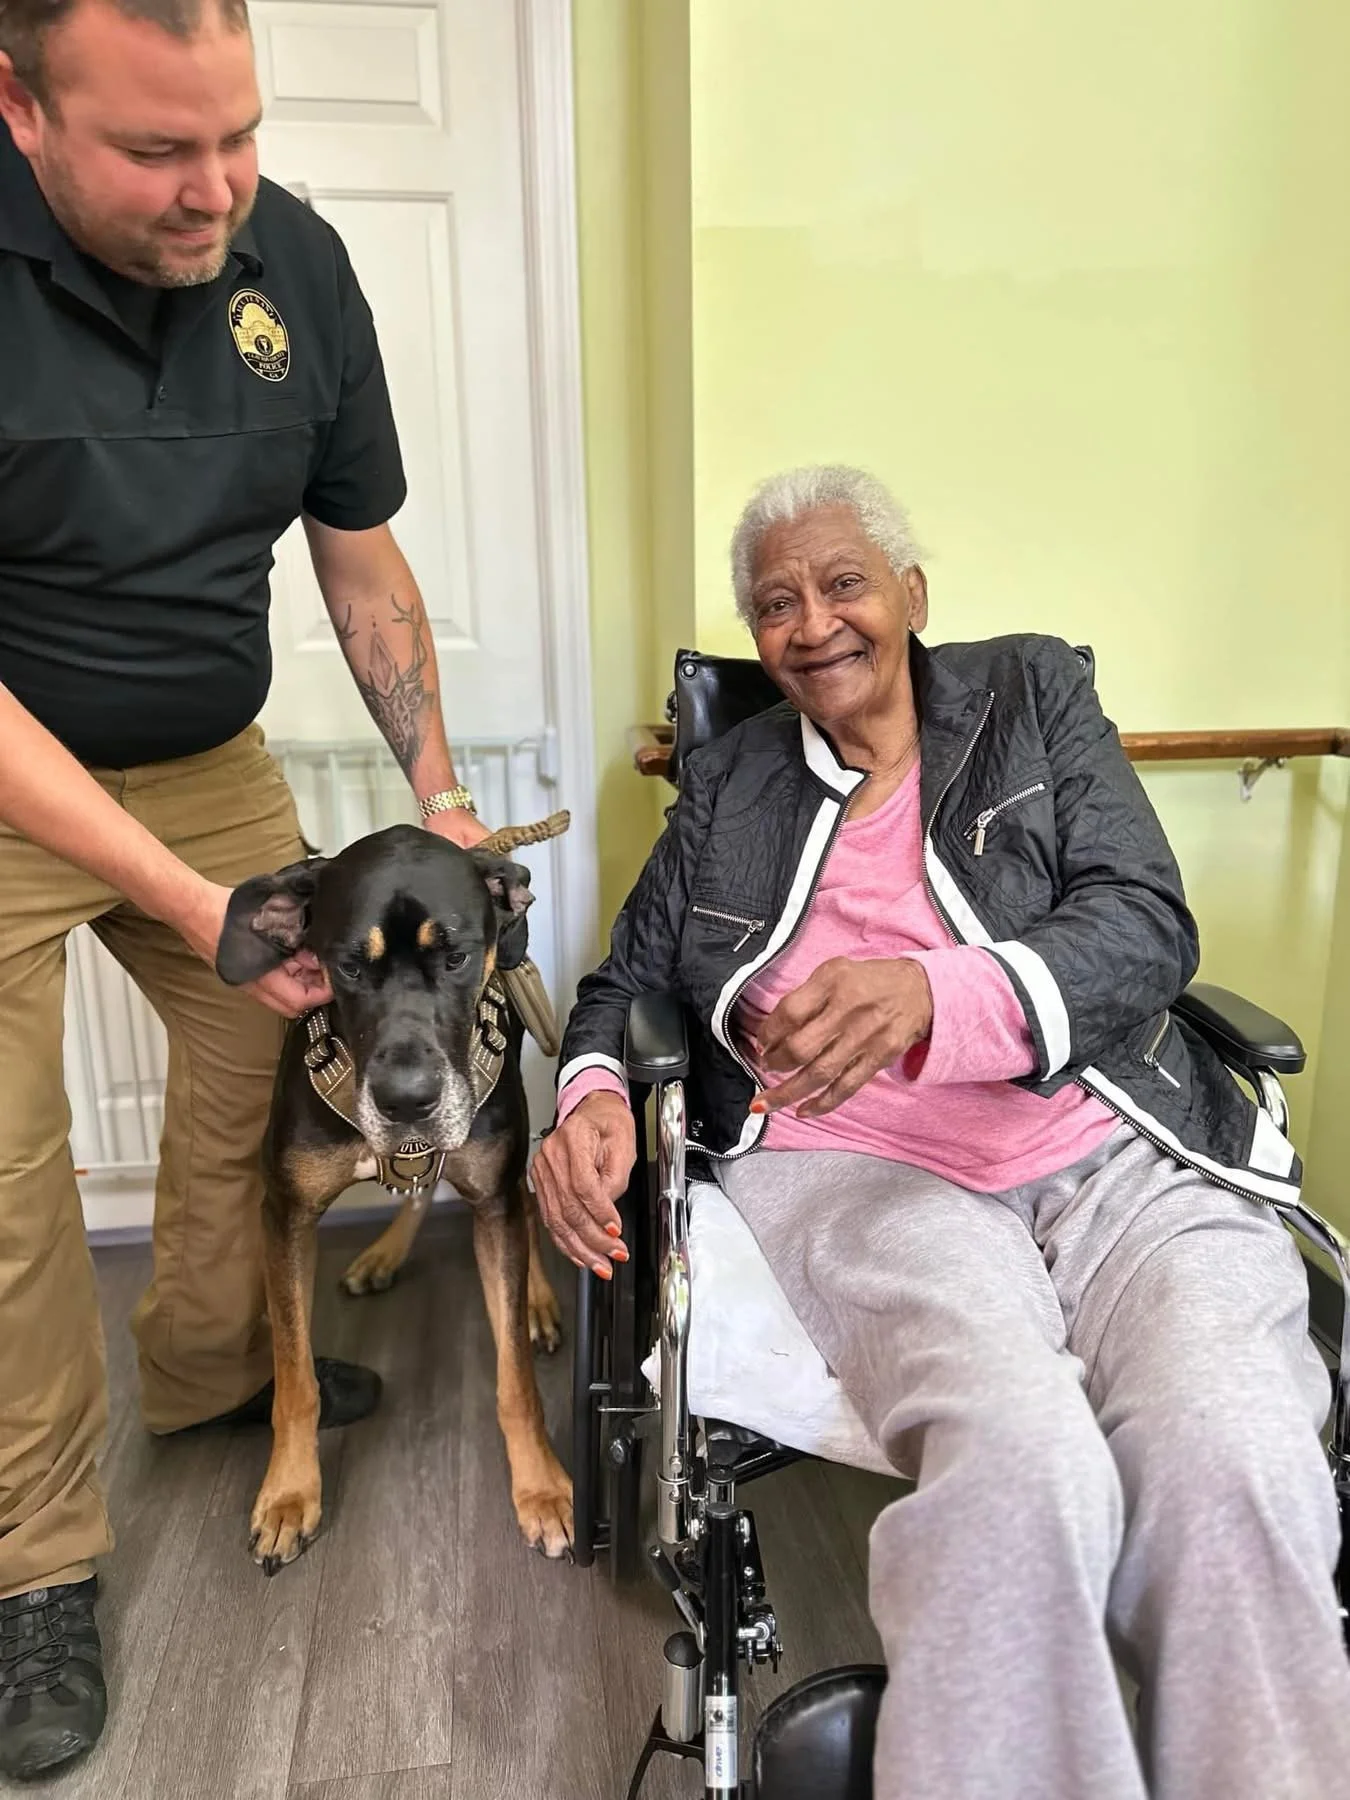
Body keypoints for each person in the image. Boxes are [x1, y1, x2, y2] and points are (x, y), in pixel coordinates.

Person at [534, 464, 1350, 1799]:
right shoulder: (729, 778)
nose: (811, 624)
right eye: (774, 604)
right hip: (861, 1167)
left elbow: (1144, 921)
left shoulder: (1030, 696)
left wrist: (935, 994)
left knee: (1237, 1447)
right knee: (1021, 1465)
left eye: (842, 583)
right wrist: (589, 1102)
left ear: (910, 596)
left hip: (1103, 1133)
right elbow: (622, 985)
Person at [0, 0, 490, 1776]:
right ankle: (36, 1565)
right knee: (10, 1182)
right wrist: (181, 897)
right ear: (22, 108)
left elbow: (356, 559)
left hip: (204, 759)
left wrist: (433, 787)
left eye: (239, 138)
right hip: (6, 775)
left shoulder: (296, 263)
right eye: (156, 153)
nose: (215, 191)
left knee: (252, 1096)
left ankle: (210, 1378)